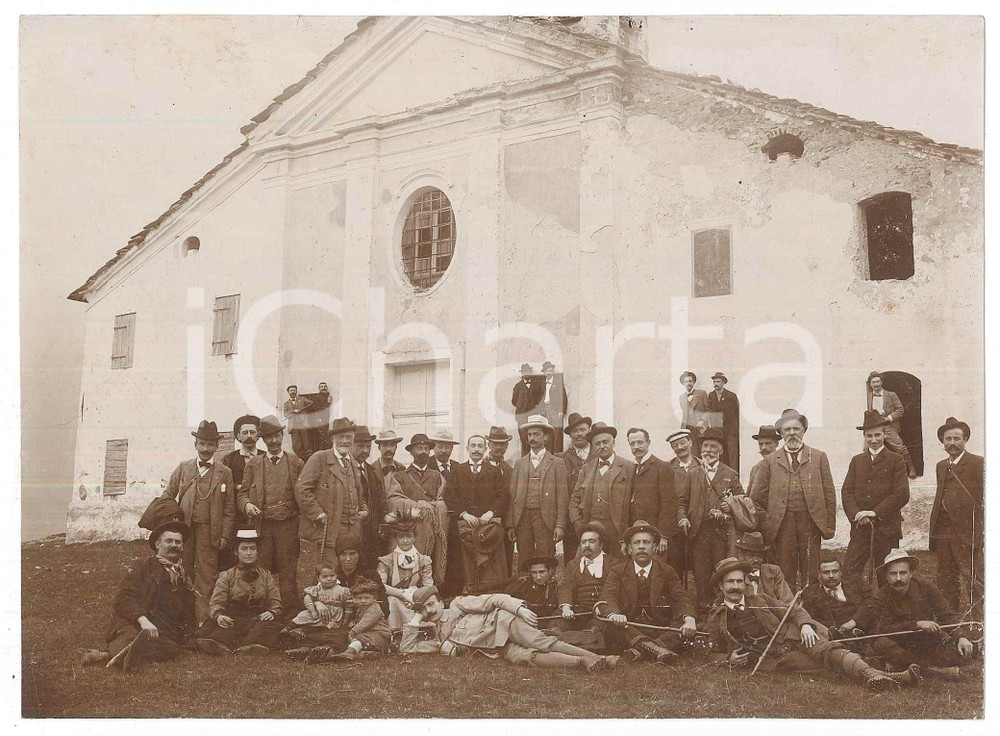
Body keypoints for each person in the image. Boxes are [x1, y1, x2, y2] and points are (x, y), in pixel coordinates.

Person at [705, 558, 917, 691]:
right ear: (721, 586)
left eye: (739, 581)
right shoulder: (716, 617)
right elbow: (712, 652)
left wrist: (805, 625)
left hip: (795, 636)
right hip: (775, 658)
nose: (735, 587)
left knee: (827, 650)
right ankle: (887, 675)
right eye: (730, 582)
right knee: (822, 667)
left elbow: (793, 610)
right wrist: (728, 658)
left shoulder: (760, 600)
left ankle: (873, 675)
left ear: (745, 583)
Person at [404, 586, 618, 672]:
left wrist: (519, 610)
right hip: (495, 647)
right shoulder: (436, 637)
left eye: (431, 604)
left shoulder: (458, 604)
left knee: (539, 642)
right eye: (424, 608)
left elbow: (494, 599)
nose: (429, 610)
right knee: (526, 657)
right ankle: (582, 662)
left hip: (504, 621)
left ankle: (602, 658)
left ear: (440, 602)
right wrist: (416, 619)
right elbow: (407, 648)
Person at [82, 512, 196, 670]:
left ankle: (109, 655)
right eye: (168, 541)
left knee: (171, 648)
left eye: (178, 542)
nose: (174, 545)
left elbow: (187, 607)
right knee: (131, 637)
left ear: (182, 546)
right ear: (157, 544)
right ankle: (128, 652)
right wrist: (143, 621)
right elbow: (122, 599)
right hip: (134, 623)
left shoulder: (184, 573)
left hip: (161, 630)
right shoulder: (141, 567)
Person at [751, 409, 836, 590]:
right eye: (787, 429)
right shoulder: (770, 461)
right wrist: (769, 524)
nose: (792, 433)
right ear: (781, 434)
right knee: (785, 568)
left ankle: (812, 605)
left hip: (810, 520)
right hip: (783, 523)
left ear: (804, 431)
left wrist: (829, 524)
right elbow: (757, 499)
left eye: (796, 429)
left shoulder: (819, 457)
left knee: (811, 567)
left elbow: (829, 493)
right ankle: (788, 609)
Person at [857, 549, 975, 679]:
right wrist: (917, 624)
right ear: (886, 576)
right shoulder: (881, 597)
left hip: (924, 641)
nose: (898, 578)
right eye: (893, 573)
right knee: (881, 644)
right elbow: (884, 629)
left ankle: (902, 667)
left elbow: (946, 615)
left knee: (958, 652)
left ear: (911, 573)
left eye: (903, 573)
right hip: (898, 644)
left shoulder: (926, 587)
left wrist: (961, 636)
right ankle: (934, 671)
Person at [161, 420, 236, 623]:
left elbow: (229, 508)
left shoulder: (224, 473)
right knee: (179, 570)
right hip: (182, 532)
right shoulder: (184, 468)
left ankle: (204, 620)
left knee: (207, 574)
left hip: (209, 532)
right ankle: (179, 618)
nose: (206, 448)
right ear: (195, 444)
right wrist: (170, 527)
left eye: (210, 444)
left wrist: (224, 535)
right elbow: (168, 496)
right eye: (202, 443)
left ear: (216, 447)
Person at [599, 520, 698, 663]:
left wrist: (689, 618)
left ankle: (640, 650)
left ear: (654, 547)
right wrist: (615, 614)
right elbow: (608, 596)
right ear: (629, 549)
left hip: (659, 628)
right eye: (636, 543)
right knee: (609, 626)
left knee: (685, 628)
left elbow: (681, 597)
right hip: (630, 627)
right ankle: (658, 650)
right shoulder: (618, 571)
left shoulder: (667, 571)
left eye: (646, 542)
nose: (641, 547)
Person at [238, 414, 304, 618]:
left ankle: (289, 614)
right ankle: (261, 611)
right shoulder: (254, 464)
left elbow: (305, 491)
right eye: (269, 437)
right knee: (261, 569)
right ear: (263, 440)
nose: (274, 441)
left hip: (288, 525)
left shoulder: (295, 462)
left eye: (277, 436)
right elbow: (242, 493)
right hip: (263, 526)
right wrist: (247, 504)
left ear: (282, 435)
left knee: (288, 571)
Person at [840, 411, 910, 588]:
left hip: (886, 529)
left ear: (884, 434)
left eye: (877, 435)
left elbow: (901, 493)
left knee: (886, 574)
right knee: (850, 572)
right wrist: (857, 514)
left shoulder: (896, 460)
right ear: (864, 436)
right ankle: (856, 609)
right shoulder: (857, 461)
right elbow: (847, 491)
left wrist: (874, 512)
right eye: (869, 436)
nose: (873, 440)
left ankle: (886, 612)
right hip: (860, 527)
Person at [678, 428, 745, 605]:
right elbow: (682, 501)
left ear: (721, 450)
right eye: (705, 446)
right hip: (699, 532)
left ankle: (722, 609)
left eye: (713, 446)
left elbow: (742, 501)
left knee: (722, 571)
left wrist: (729, 506)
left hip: (721, 533)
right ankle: (702, 611)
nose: (708, 450)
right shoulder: (693, 473)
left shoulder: (730, 474)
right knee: (701, 574)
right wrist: (683, 518)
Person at [928, 416, 984, 621]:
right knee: (945, 578)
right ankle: (948, 621)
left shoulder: (978, 462)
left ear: (965, 439)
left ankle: (977, 621)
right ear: (942, 442)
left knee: (972, 579)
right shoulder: (941, 465)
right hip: (943, 531)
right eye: (947, 439)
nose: (952, 443)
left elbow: (984, 498)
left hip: (967, 530)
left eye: (957, 438)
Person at [195, 529, 283, 655]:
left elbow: (275, 600)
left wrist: (272, 612)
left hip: (257, 618)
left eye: (252, 549)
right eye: (244, 549)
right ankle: (221, 644)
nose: (249, 553)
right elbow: (217, 601)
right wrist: (219, 616)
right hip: (234, 618)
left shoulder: (265, 575)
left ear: (257, 552)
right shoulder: (227, 575)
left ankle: (250, 645)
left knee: (267, 626)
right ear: (236, 552)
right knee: (224, 627)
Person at [295, 417, 368, 567]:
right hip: (328, 528)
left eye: (349, 437)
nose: (345, 441)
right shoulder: (319, 458)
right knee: (328, 569)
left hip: (351, 530)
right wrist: (317, 513)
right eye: (341, 436)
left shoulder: (354, 464)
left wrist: (364, 509)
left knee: (348, 568)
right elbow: (302, 489)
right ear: (333, 438)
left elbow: (359, 493)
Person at [444, 435, 510, 593]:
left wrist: (491, 512)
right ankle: (469, 591)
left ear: (485, 449)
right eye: (472, 446)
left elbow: (503, 495)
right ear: (467, 449)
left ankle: (490, 591)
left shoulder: (494, 472)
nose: (476, 449)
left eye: (480, 446)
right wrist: (464, 514)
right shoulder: (458, 470)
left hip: (488, 526)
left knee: (490, 563)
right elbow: (450, 495)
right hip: (465, 524)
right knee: (466, 561)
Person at [385, 433, 449, 583]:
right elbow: (394, 499)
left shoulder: (437, 476)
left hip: (433, 529)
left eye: (426, 448)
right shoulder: (400, 476)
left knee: (430, 561)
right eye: (419, 448)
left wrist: (434, 507)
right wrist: (416, 506)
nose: (423, 452)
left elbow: (443, 499)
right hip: (410, 529)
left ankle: (431, 587)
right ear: (411, 452)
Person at [508, 415, 568, 560]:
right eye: (529, 435)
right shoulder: (519, 463)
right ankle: (524, 583)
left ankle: (545, 583)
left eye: (536, 434)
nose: (532, 438)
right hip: (523, 518)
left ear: (546, 437)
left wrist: (560, 525)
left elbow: (562, 496)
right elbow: (512, 495)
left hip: (545, 518)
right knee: (524, 556)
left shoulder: (557, 463)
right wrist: (510, 525)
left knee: (546, 556)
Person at [569, 422, 632, 555]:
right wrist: (578, 524)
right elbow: (574, 499)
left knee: (616, 566)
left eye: (605, 442)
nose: (602, 446)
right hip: (590, 527)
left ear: (613, 443)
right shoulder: (587, 468)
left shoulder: (628, 467)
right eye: (597, 444)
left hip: (616, 528)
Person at [626, 427, 680, 570]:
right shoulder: (632, 468)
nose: (636, 447)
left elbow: (669, 504)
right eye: (632, 444)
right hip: (637, 534)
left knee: (658, 572)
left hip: (656, 535)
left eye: (640, 442)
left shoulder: (662, 467)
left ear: (648, 443)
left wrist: (663, 536)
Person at [307, 579, 392, 662]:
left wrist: (353, 631)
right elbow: (358, 618)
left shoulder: (374, 608)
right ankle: (363, 654)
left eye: (366, 598)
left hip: (380, 636)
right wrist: (353, 622)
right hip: (367, 635)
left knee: (358, 638)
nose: (363, 601)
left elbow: (365, 623)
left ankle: (349, 653)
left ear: (374, 598)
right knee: (351, 639)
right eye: (359, 598)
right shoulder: (361, 608)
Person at [219, 413, 264, 569]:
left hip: (260, 515)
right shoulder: (229, 460)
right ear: (238, 436)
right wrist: (238, 488)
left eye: (252, 432)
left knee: (259, 554)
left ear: (258, 434)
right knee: (234, 555)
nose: (249, 436)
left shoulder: (266, 458)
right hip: (236, 516)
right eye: (244, 433)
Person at [378, 517, 434, 634]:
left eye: (409, 536)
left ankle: (417, 631)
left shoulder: (424, 560)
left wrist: (415, 597)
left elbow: (429, 586)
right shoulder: (386, 560)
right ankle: (395, 633)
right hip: (396, 596)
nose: (405, 541)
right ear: (396, 539)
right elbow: (380, 585)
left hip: (416, 598)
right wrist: (402, 594)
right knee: (392, 600)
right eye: (400, 537)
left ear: (414, 538)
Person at [282, 562, 351, 656]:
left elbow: (348, 605)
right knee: (304, 615)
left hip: (332, 616)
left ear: (337, 575)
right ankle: (289, 628)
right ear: (318, 578)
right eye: (325, 577)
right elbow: (307, 598)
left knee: (324, 627)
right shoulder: (316, 589)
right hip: (316, 612)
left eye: (332, 575)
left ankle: (303, 637)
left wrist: (346, 619)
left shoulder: (342, 590)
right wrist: (313, 610)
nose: (329, 579)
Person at [801, 551, 870, 642]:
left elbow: (872, 602)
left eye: (835, 571)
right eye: (826, 572)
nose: (831, 576)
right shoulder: (811, 594)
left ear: (841, 572)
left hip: (862, 628)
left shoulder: (856, 585)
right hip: (834, 638)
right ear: (819, 575)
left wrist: (854, 621)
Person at [557, 521, 611, 634]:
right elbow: (566, 586)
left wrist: (603, 606)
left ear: (601, 545)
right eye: (583, 542)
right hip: (578, 611)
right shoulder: (573, 565)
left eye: (592, 541)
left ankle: (591, 636)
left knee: (600, 627)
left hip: (602, 611)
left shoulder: (612, 564)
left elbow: (612, 589)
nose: (587, 545)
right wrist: (566, 607)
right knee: (557, 621)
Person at [555, 412, 592, 562]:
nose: (579, 434)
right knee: (572, 560)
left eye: (582, 429)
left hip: (596, 515)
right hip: (571, 519)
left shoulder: (600, 454)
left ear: (589, 430)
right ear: (570, 435)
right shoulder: (560, 459)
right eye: (574, 431)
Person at [866, 372, 917, 479]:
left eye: (877, 381)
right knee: (867, 448)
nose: (876, 384)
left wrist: (888, 418)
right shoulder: (869, 396)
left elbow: (900, 410)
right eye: (873, 382)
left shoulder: (891, 395)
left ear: (881, 382)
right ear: (870, 384)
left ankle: (912, 469)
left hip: (887, 425)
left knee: (899, 446)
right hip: (874, 426)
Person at [351, 425, 388, 570]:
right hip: (352, 529)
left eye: (368, 446)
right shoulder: (345, 470)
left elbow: (380, 501)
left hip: (371, 531)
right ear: (351, 445)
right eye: (361, 446)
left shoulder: (372, 471)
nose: (365, 450)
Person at [486, 425, 516, 574]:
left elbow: (511, 499)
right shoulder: (480, 467)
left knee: (507, 557)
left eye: (502, 444)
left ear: (507, 446)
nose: (498, 447)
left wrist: (510, 526)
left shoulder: (511, 470)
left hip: (505, 522)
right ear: (489, 445)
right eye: (495, 443)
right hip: (485, 521)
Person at [732, 532, 793, 605]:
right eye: (751, 556)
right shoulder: (734, 574)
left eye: (759, 556)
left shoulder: (774, 571)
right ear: (741, 556)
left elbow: (787, 601)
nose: (756, 560)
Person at [505, 556, 560, 621]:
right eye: (534, 573)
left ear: (551, 571)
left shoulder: (558, 587)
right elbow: (505, 600)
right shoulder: (522, 584)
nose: (538, 577)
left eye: (542, 572)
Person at [706, 372, 740, 472]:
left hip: (730, 431)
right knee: (720, 455)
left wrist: (735, 431)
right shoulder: (711, 395)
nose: (715, 384)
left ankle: (733, 477)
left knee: (732, 456)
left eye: (718, 381)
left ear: (723, 382)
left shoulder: (731, 396)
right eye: (714, 381)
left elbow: (736, 414)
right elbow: (709, 412)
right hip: (717, 431)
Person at [512, 363, 544, 456]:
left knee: (534, 437)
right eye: (524, 371)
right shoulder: (518, 386)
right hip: (522, 416)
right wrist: (521, 405)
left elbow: (540, 398)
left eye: (528, 371)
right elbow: (514, 401)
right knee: (523, 437)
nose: (527, 373)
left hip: (533, 416)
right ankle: (524, 459)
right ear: (522, 373)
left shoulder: (536, 385)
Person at [539, 361, 568, 452]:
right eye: (547, 371)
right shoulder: (542, 384)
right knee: (547, 432)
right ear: (544, 372)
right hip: (545, 410)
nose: (548, 372)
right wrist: (540, 410)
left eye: (550, 370)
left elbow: (563, 397)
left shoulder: (558, 382)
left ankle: (556, 454)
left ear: (553, 371)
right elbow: (539, 398)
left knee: (556, 433)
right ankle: (548, 454)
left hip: (555, 410)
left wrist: (561, 410)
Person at [746, 425, 779, 498]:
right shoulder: (755, 469)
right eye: (760, 444)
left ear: (776, 444)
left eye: (768, 443)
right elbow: (749, 496)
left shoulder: (784, 466)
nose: (763, 447)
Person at [283, 384, 314, 460]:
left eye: (294, 390)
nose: (293, 392)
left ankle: (308, 460)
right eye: (291, 390)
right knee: (295, 446)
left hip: (303, 424)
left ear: (296, 391)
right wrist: (294, 411)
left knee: (307, 444)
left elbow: (311, 403)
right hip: (293, 427)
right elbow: (285, 414)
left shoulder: (302, 399)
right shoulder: (286, 403)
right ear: (288, 392)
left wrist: (303, 410)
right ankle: (302, 459)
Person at [678, 371, 709, 440]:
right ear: (683, 383)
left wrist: (702, 420)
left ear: (694, 382)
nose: (688, 383)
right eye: (686, 382)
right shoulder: (681, 398)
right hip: (688, 430)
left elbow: (709, 410)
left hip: (701, 428)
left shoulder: (702, 393)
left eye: (690, 381)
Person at [306, 381, 334, 453]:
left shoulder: (329, 396)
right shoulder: (316, 397)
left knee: (325, 434)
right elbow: (319, 409)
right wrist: (328, 403)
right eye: (321, 387)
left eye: (325, 386)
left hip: (326, 419)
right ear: (319, 389)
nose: (323, 388)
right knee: (320, 436)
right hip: (319, 419)